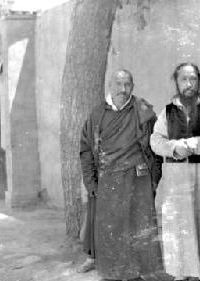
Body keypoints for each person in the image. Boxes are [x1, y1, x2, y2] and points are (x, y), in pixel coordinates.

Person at [80, 69, 162, 281]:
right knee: (112, 229)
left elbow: (156, 147)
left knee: (138, 226)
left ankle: (138, 273)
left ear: (132, 86)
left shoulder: (143, 111)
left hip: (138, 179)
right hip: (108, 181)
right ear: (110, 85)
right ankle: (112, 273)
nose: (123, 89)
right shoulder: (97, 115)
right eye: (118, 84)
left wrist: (153, 178)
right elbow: (86, 149)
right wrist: (91, 182)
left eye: (127, 84)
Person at [150, 62, 200, 281]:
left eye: (193, 79)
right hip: (175, 177)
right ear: (177, 82)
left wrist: (193, 145)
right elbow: (155, 140)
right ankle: (180, 271)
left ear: (199, 81)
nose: (189, 84)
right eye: (184, 79)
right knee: (178, 223)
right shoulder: (167, 111)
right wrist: (174, 148)